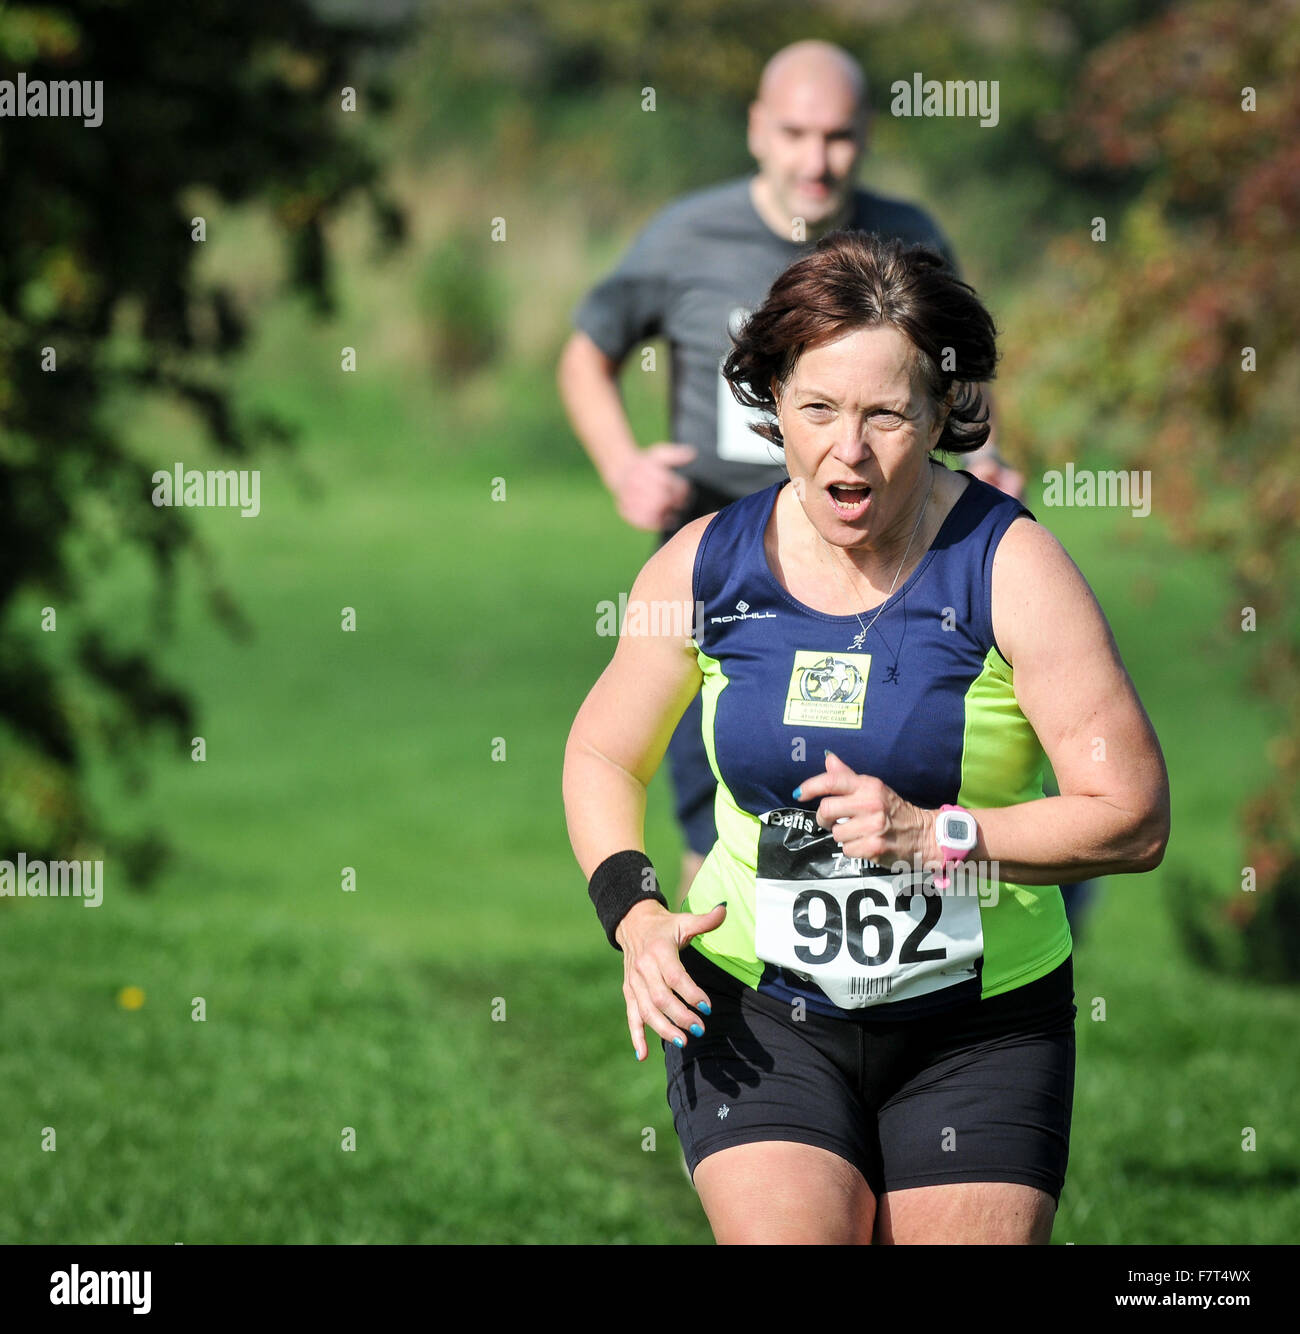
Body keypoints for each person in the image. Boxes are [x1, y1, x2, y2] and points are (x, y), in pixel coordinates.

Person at [562, 232, 1170, 1244]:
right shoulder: (701, 568)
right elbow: (602, 753)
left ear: (942, 411)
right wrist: (632, 912)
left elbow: (1131, 817)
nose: (848, 448)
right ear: (770, 405)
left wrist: (939, 836)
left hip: (978, 1025)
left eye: (886, 413)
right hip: (755, 1006)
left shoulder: (1011, 568)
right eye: (817, 410)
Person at [557, 40, 962, 903]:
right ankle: (727, 1015)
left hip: (878, 566)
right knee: (721, 828)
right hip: (724, 570)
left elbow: (958, 383)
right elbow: (585, 354)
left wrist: (986, 466)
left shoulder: (910, 238)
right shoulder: (685, 235)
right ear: (756, 131)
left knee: (876, 809)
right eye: (795, 133)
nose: (815, 160)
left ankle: (884, 1011)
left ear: (865, 137)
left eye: (838, 137)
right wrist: (623, 467)